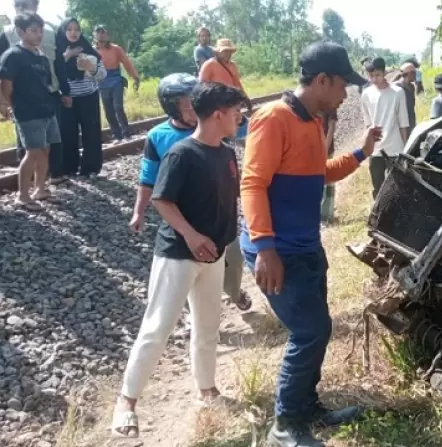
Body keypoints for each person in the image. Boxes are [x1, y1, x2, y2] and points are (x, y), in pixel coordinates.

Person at [240, 40, 380, 446]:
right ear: (322, 80)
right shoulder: (272, 118)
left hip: (304, 245)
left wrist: (360, 153)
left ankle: (307, 405)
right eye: (341, 86)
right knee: (310, 331)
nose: (344, 95)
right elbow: (252, 183)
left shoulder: (312, 121)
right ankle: (284, 424)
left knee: (317, 330)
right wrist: (265, 247)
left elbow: (318, 173)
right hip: (279, 250)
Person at [112, 81, 247, 438]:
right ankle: (126, 401)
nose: (240, 118)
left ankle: (207, 389)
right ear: (218, 114)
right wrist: (191, 234)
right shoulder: (182, 154)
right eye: (236, 113)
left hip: (213, 255)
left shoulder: (226, 152)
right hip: (178, 255)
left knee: (207, 326)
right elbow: (162, 200)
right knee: (157, 328)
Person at [130, 72, 252, 313]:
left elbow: (246, 132)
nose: (195, 108)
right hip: (187, 215)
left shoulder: (214, 125)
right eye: (187, 103)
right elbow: (149, 179)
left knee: (234, 260)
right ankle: (196, 312)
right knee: (192, 271)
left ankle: (235, 292)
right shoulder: (158, 137)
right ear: (172, 107)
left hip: (221, 213)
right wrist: (138, 212)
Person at [0, 0, 69, 185]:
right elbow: (6, 84)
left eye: (39, 30)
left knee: (46, 149)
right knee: (31, 152)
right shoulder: (12, 54)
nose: (38, 34)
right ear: (21, 32)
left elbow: (50, 76)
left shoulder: (40, 54)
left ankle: (40, 188)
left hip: (46, 108)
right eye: (33, 31)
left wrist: (62, 92)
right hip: (26, 110)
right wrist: (8, 105)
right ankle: (23, 193)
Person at [56, 17, 105, 179]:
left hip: (89, 96)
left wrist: (91, 69)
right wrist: (67, 56)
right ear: (63, 32)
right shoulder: (57, 52)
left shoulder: (89, 50)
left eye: (76, 29)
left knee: (91, 133)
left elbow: (102, 75)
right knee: (67, 133)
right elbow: (53, 73)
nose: (73, 33)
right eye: (69, 29)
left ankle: (90, 168)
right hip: (67, 99)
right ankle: (69, 168)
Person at [360, 56, 408, 198]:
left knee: (397, 186)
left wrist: (405, 149)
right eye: (371, 76)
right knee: (378, 186)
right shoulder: (366, 94)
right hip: (376, 149)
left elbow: (403, 122)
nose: (375, 79)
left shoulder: (398, 93)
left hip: (395, 147)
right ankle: (379, 215)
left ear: (384, 73)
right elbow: (368, 123)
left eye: (378, 75)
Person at [94, 24, 139, 143]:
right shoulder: (93, 50)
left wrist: (135, 77)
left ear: (108, 35)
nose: (101, 35)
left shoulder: (116, 49)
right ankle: (116, 135)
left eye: (103, 32)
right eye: (98, 32)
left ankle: (126, 133)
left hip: (116, 81)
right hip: (102, 82)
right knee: (108, 110)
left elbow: (127, 63)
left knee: (118, 107)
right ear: (95, 35)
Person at [198, 38, 254, 113]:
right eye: (225, 51)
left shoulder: (232, 65)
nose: (228, 53)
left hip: (231, 102)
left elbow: (237, 84)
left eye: (230, 51)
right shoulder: (209, 65)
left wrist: (245, 98)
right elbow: (202, 87)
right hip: (217, 105)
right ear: (218, 52)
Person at [394, 61, 416, 128]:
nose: (415, 75)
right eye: (414, 73)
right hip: (400, 124)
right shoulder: (396, 87)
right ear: (409, 74)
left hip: (411, 122)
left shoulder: (412, 86)